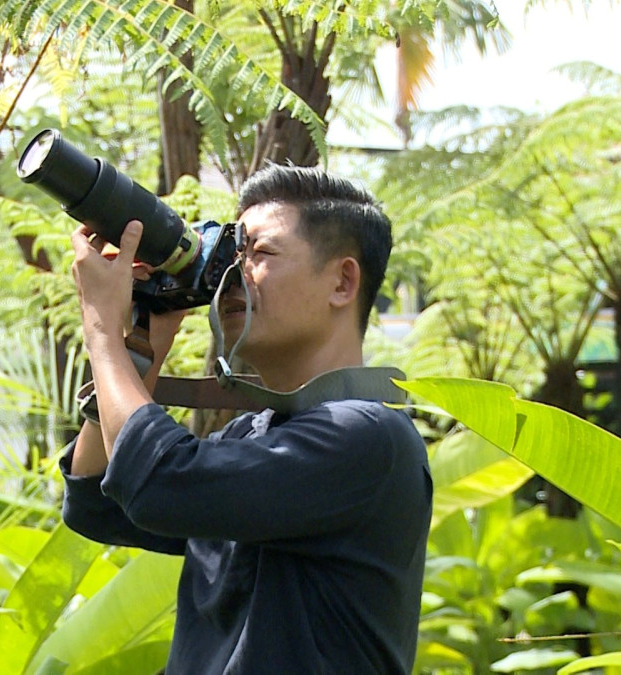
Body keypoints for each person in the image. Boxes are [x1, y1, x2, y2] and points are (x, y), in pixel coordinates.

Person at [59, 164, 432, 674]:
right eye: (233, 254)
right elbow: (95, 498)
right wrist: (145, 341)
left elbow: (157, 481)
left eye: (260, 254)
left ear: (343, 282)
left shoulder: (368, 438)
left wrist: (101, 327)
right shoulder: (251, 435)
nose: (234, 275)